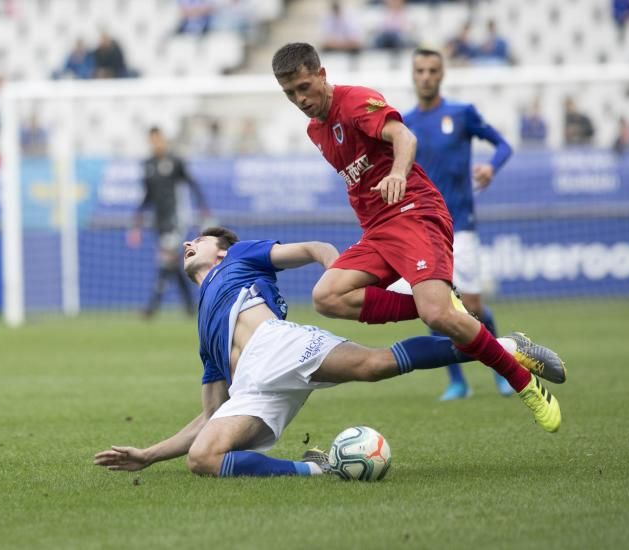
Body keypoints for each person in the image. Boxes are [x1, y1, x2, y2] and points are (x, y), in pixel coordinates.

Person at [93, 227, 566, 478]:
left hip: (277, 346)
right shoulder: (204, 330)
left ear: (220, 252)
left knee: (376, 365)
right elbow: (211, 414)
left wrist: (334, 268)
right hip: (256, 389)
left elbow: (315, 247)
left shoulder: (239, 260)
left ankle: (502, 347)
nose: (188, 243)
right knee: (203, 458)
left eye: (200, 240)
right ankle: (318, 469)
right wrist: (150, 455)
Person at [270, 42, 560, 430]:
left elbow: (405, 138)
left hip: (414, 212)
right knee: (326, 296)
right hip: (378, 231)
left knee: (437, 314)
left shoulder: (355, 101)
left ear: (321, 75)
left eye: (304, 87)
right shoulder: (315, 130)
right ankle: (461, 315)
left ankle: (523, 382)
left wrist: (397, 174)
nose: (300, 98)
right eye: (290, 93)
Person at [402, 48, 514, 400]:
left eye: (432, 70)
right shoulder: (404, 124)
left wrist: (491, 167)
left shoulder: (461, 114)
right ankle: (457, 382)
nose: (426, 77)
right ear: (412, 74)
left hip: (460, 224)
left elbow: (503, 145)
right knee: (431, 308)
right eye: (420, 70)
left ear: (442, 74)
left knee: (473, 307)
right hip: (422, 228)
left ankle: (502, 369)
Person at [127, 127, 211, 318]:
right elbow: (148, 195)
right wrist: (138, 216)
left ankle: (151, 308)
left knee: (166, 259)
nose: (156, 143)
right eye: (153, 140)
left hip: (177, 218)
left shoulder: (175, 161)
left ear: (164, 140)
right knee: (172, 264)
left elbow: (192, 183)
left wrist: (203, 207)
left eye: (159, 139)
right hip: (159, 221)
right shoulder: (147, 165)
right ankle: (191, 307)